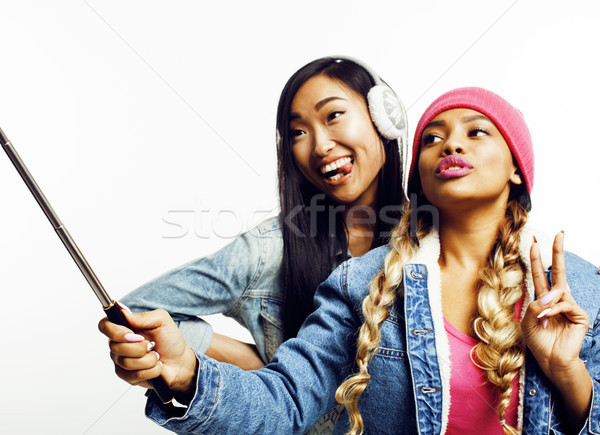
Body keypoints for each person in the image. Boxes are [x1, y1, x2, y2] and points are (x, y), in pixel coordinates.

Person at [100, 87, 600, 434]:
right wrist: (188, 372)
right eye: (432, 137)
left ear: (517, 168)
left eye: (476, 132)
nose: (451, 143)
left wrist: (568, 374)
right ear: (419, 179)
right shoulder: (362, 283)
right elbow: (285, 404)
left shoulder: (581, 288)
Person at [113, 56, 408, 431]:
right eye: (298, 132)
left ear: (384, 117)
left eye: (333, 115)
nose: (319, 145)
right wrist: (253, 362)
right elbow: (136, 313)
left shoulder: (440, 239)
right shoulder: (270, 251)